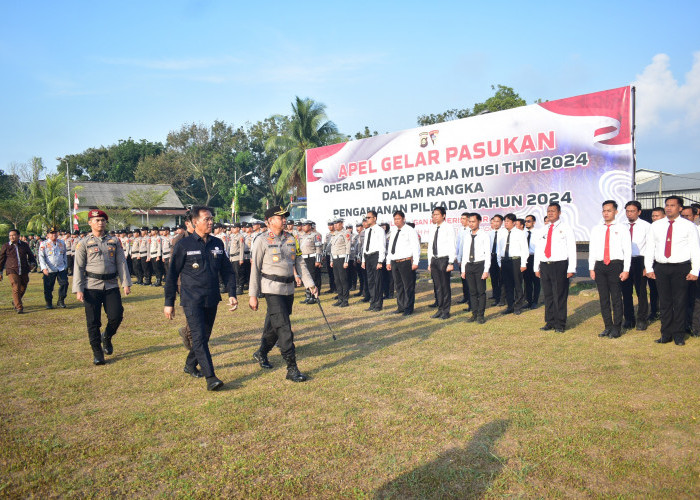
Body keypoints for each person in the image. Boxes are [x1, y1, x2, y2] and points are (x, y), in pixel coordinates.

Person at [164, 206, 238, 391]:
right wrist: (169, 303)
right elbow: (172, 275)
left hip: (212, 297)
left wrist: (232, 294)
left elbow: (227, 270)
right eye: (207, 219)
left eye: (211, 219)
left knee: (204, 336)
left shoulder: (217, 243)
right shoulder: (184, 245)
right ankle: (211, 377)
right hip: (191, 298)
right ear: (195, 222)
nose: (211, 222)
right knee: (198, 337)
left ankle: (190, 365)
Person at [249, 206, 317, 382]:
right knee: (285, 328)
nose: (284, 220)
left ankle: (261, 353)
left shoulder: (291, 238)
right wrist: (253, 294)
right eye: (280, 217)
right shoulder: (261, 240)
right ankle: (292, 368)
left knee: (274, 325)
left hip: (288, 289)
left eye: (285, 217)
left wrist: (310, 283)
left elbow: (300, 262)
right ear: (269, 221)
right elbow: (255, 268)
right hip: (271, 288)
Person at [73, 210, 131, 365]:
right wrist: (78, 289)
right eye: (97, 220)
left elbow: (121, 262)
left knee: (116, 315)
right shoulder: (84, 243)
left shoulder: (114, 241)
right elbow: (78, 267)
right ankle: (97, 352)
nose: (100, 223)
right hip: (91, 286)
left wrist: (125, 283)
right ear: (90, 223)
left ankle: (107, 336)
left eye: (103, 220)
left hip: (111, 285)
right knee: (93, 321)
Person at [645, 196, 700, 346]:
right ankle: (666, 334)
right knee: (665, 302)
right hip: (661, 267)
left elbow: (695, 249)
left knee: (680, 302)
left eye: (672, 205)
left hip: (681, 267)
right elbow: (650, 247)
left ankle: (679, 335)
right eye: (667, 205)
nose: (669, 208)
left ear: (680, 208)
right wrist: (649, 267)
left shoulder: (689, 226)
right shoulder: (656, 226)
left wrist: (695, 270)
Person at [589, 200, 631, 338]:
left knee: (616, 297)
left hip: (615, 265)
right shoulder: (597, 229)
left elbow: (627, 250)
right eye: (604, 211)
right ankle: (607, 326)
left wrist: (626, 269)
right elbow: (593, 249)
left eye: (609, 210)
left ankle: (616, 327)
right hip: (600, 265)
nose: (606, 213)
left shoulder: (622, 228)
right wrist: (591, 268)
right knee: (603, 298)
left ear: (616, 212)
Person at [534, 203, 577, 333]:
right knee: (548, 295)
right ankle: (550, 321)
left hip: (559, 264)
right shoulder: (543, 229)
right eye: (548, 211)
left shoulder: (566, 228)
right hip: (545, 265)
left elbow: (571, 248)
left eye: (553, 211)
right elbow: (539, 249)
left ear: (559, 213)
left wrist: (571, 268)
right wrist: (536, 267)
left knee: (559, 295)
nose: (550, 213)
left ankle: (560, 323)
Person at [620, 201, 650, 331]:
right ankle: (629, 319)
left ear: (639, 212)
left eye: (632, 211)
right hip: (624, 261)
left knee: (641, 291)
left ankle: (642, 319)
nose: (629, 213)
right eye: (627, 211)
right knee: (626, 292)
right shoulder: (621, 226)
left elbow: (650, 247)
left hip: (640, 261)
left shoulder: (646, 226)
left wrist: (648, 266)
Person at [386, 210, 421, 316]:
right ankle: (401, 306)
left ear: (403, 219)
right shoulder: (394, 231)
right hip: (395, 261)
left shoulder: (410, 230)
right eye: (395, 219)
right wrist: (388, 261)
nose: (396, 221)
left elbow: (416, 247)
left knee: (408, 286)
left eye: (398, 219)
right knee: (398, 285)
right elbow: (390, 247)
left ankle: (409, 308)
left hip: (406, 261)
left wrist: (415, 262)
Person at [460, 213, 491, 323]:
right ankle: (474, 313)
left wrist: (486, 270)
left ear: (479, 222)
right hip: (469, 265)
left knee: (481, 292)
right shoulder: (466, 235)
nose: (471, 224)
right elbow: (465, 253)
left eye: (473, 221)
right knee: (472, 292)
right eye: (469, 221)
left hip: (480, 265)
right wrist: (463, 269)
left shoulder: (484, 235)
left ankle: (480, 315)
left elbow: (488, 254)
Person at [427, 206, 456, 319]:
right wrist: (430, 262)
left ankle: (446, 311)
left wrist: (450, 262)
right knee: (437, 286)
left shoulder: (448, 227)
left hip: (444, 259)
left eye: (437, 214)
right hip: (434, 259)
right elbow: (430, 246)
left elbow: (452, 245)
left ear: (443, 215)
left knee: (445, 286)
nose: (435, 216)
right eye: (433, 214)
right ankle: (440, 309)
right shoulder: (433, 228)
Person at [497, 213, 529, 315]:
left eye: (508, 221)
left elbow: (524, 249)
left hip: (515, 261)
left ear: (514, 222)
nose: (506, 223)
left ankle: (518, 306)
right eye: (505, 221)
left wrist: (524, 263)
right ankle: (510, 306)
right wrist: (499, 262)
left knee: (517, 284)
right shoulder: (502, 233)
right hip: (504, 261)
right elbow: (499, 249)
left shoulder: (520, 233)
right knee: (507, 284)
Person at [0, 228, 37, 313]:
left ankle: (15, 301)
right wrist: (0, 271)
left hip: (24, 269)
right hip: (12, 270)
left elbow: (31, 256)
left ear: (18, 236)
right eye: (10, 236)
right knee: (16, 286)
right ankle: (19, 307)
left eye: (13, 235)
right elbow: (1, 260)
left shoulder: (24, 245)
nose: (12, 237)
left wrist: (32, 264)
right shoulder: (6, 246)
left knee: (23, 286)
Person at [37, 226, 69, 309]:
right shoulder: (44, 244)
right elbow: (41, 257)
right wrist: (44, 268)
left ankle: (61, 300)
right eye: (51, 233)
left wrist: (66, 265)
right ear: (47, 235)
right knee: (48, 287)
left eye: (55, 233)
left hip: (61, 268)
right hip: (49, 269)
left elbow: (64, 254)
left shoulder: (62, 242)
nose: (54, 235)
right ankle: (49, 302)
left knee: (64, 284)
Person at [361, 210, 386, 312]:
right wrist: (363, 260)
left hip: (376, 256)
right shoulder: (367, 231)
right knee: (370, 281)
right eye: (366, 218)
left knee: (377, 281)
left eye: (369, 217)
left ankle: (378, 304)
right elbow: (365, 247)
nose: (367, 219)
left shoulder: (380, 230)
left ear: (375, 218)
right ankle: (372, 303)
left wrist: (380, 261)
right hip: (368, 257)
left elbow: (382, 246)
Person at [298, 219, 323, 305]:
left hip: (312, 258)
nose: (303, 227)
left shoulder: (315, 235)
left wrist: (318, 260)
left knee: (313, 277)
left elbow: (319, 248)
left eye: (305, 225)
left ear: (309, 226)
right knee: (306, 277)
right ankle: (308, 296)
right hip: (303, 258)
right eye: (303, 225)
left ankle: (314, 297)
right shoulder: (302, 236)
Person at [330, 218, 351, 307]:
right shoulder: (334, 234)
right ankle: (340, 298)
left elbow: (348, 247)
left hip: (342, 258)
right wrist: (331, 260)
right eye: (334, 224)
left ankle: (345, 300)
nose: (335, 225)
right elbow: (332, 248)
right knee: (337, 280)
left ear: (341, 224)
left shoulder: (346, 233)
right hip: (335, 258)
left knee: (343, 280)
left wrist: (346, 261)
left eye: (337, 223)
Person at [454, 212, 472, 308]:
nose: (462, 220)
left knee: (469, 280)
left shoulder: (471, 230)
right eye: (461, 218)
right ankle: (465, 297)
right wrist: (458, 257)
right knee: (463, 279)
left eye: (464, 218)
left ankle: (470, 299)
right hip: (461, 258)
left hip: (469, 258)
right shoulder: (461, 229)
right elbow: (458, 245)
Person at [523, 215, 541, 309]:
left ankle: (535, 301)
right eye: (525, 221)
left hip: (535, 257)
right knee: (527, 281)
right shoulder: (523, 233)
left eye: (528, 221)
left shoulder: (538, 233)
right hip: (526, 258)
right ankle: (528, 301)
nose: (526, 223)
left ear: (534, 222)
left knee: (536, 280)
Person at [488, 215, 505, 306]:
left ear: (501, 222)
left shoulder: (505, 233)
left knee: (502, 279)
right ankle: (496, 298)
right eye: (494, 221)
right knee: (494, 279)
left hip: (501, 259)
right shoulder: (489, 233)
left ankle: (502, 299)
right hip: (492, 258)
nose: (495, 223)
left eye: (498, 221)